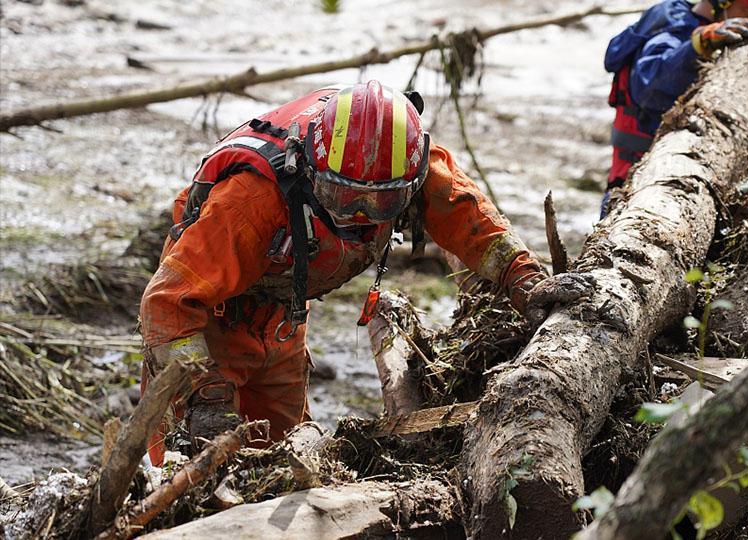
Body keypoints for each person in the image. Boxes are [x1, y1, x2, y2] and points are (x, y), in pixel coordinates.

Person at [139, 80, 570, 465]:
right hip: (208, 318)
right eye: (342, 197)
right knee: (192, 465)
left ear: (410, 181)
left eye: (378, 205)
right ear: (311, 169)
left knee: (281, 455)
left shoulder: (405, 161)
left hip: (284, 318)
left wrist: (525, 278)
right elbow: (167, 302)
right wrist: (202, 391)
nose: (359, 215)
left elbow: (470, 220)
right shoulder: (251, 202)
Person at [601, 0, 748, 216]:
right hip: (631, 186)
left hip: (680, 181)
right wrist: (699, 45)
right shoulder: (676, 27)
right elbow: (650, 88)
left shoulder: (721, 37)